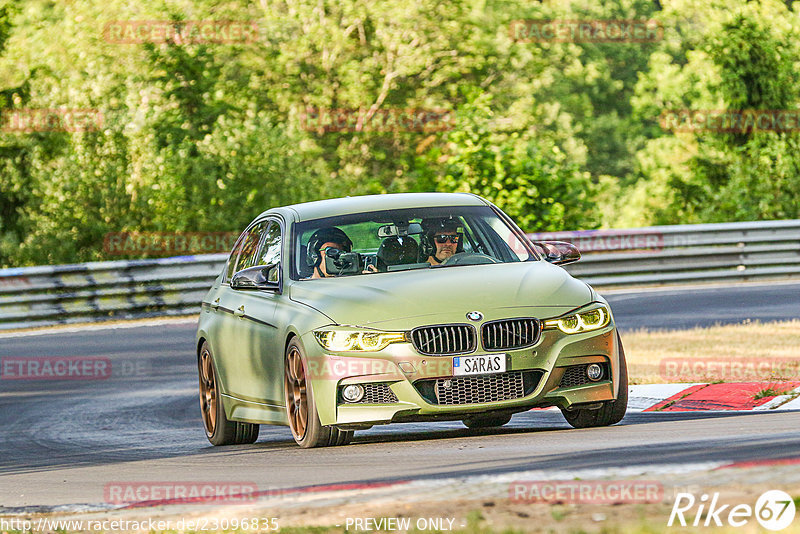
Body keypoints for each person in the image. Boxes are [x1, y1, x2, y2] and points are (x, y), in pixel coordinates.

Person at [305, 226, 377, 278]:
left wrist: (370, 279)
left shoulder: (353, 283)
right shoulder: (300, 289)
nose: (337, 257)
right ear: (315, 256)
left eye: (342, 253)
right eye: (331, 252)